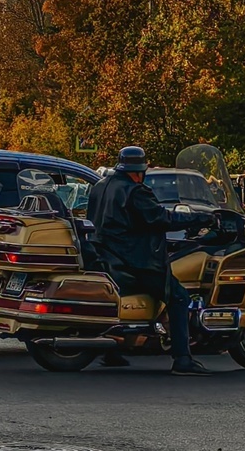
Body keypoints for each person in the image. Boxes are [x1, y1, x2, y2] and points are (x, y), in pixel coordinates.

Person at [86, 146, 216, 376]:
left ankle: (113, 351)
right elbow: (162, 218)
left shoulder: (100, 186)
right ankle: (183, 359)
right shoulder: (135, 192)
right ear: (139, 171)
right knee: (178, 297)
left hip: (104, 256)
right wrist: (202, 217)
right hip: (132, 261)